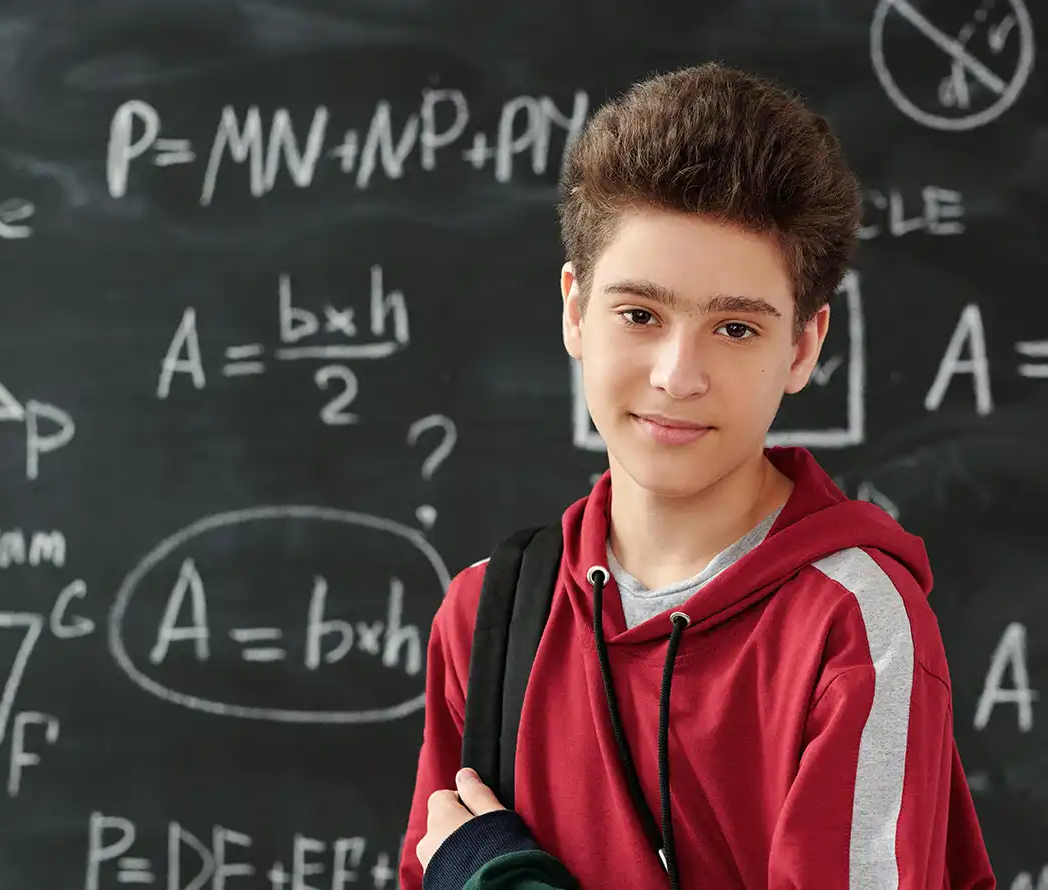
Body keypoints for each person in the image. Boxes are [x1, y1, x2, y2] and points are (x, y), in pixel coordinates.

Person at [400, 61, 997, 890]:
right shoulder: (487, 616)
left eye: (736, 329)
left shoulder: (853, 630)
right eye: (639, 315)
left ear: (803, 345)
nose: (679, 375)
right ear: (576, 311)